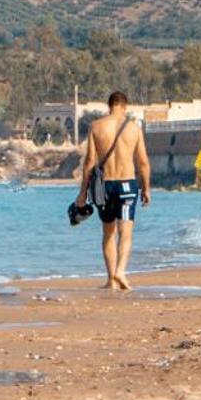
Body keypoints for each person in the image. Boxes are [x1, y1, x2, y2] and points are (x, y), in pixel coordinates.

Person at [71, 91, 152, 290]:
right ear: (124, 107)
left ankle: (110, 280)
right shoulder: (134, 128)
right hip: (127, 184)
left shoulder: (96, 127)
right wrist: (147, 188)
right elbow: (143, 162)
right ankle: (121, 271)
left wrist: (82, 193)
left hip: (105, 186)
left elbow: (89, 162)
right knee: (126, 231)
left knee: (108, 232)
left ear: (110, 106)